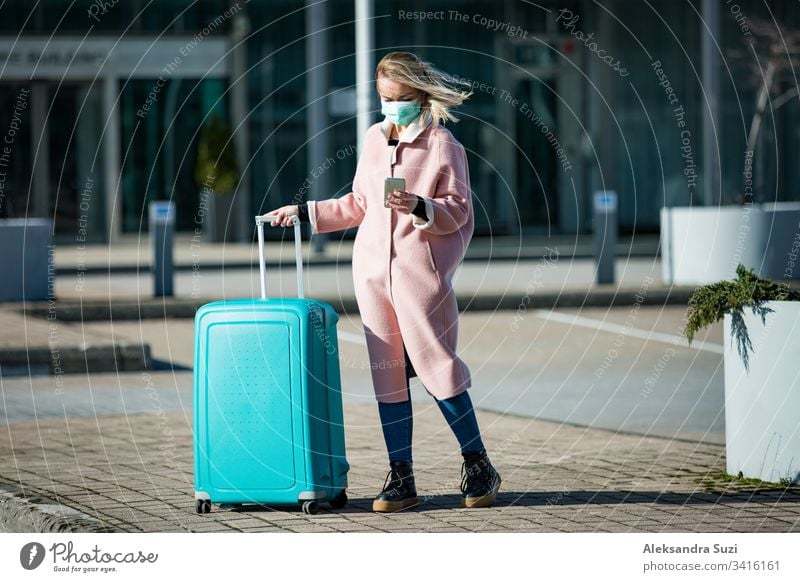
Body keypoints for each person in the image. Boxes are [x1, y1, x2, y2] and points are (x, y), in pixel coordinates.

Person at [264, 51, 500, 512]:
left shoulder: (443, 144)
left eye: (401, 98)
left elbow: (459, 212)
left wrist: (416, 205)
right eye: (385, 98)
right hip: (372, 279)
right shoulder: (373, 139)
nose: (392, 106)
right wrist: (304, 213)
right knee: (388, 378)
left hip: (420, 281)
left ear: (421, 96)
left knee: (439, 371)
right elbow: (357, 203)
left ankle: (478, 465)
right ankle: (401, 476)